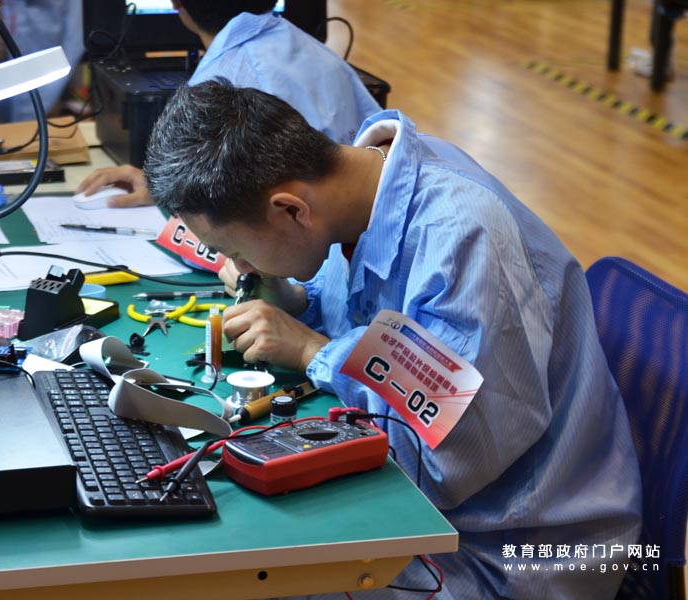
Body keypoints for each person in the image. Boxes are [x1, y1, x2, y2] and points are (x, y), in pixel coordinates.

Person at [142, 79, 643, 599]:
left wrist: (315, 351)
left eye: (236, 251)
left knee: (219, 575)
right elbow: (368, 313)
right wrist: (296, 299)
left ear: (290, 210)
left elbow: (442, 466)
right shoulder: (358, 187)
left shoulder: (463, 241)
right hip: (448, 520)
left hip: (506, 554)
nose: (238, 267)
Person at [76, 0, 381, 207]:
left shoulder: (217, 91)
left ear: (176, 3)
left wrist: (178, 196)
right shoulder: (322, 55)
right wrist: (167, 186)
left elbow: (238, 219)